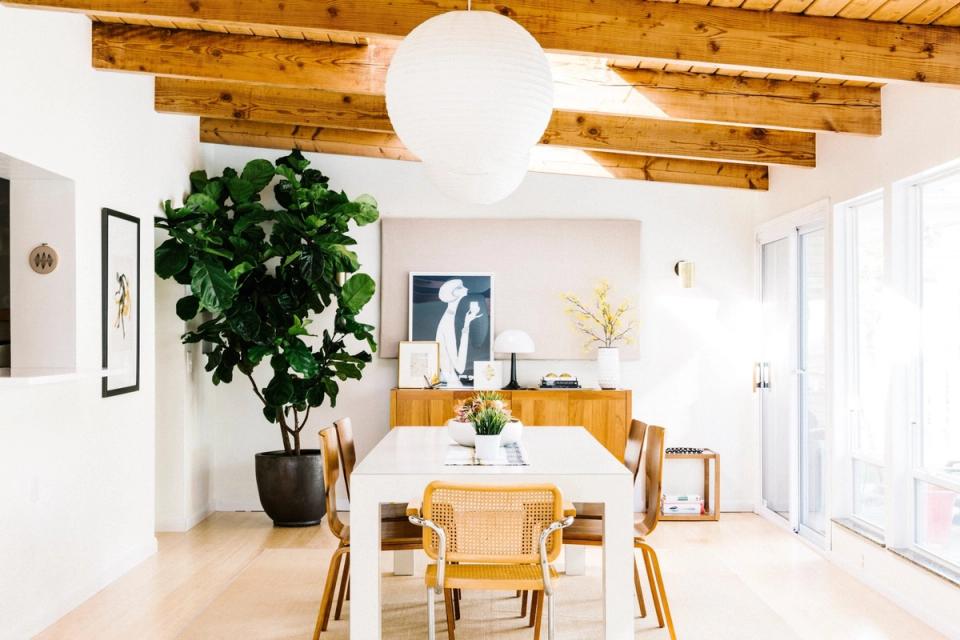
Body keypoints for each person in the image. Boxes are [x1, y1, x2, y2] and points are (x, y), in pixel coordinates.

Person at [435, 278, 482, 386]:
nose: (466, 288)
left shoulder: (450, 316)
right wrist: (467, 324)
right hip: (451, 381)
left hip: (452, 379)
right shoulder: (447, 322)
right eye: (460, 287)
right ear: (452, 293)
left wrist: (467, 323)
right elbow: (460, 367)